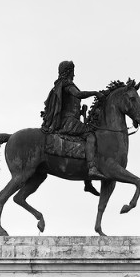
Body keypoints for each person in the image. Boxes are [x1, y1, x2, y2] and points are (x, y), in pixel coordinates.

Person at [41, 60, 103, 191]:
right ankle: (92, 168)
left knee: (83, 140)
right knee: (91, 135)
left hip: (70, 120)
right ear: (69, 71)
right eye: (73, 71)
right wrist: (95, 93)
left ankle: (88, 183)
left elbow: (69, 106)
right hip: (67, 122)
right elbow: (78, 95)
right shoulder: (66, 84)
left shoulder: (61, 85)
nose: (74, 74)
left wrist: (80, 112)